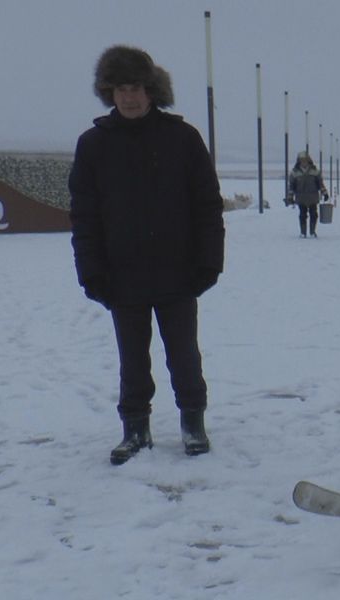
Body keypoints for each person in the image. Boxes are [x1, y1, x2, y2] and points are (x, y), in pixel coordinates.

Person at [69, 45, 225, 465]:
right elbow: (84, 218)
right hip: (123, 277)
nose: (129, 97)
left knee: (184, 356)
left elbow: (207, 206)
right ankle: (135, 430)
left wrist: (209, 262)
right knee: (132, 361)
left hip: (178, 273)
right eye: (120, 88)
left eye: (135, 87)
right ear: (109, 93)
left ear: (151, 90)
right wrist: (92, 273)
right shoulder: (93, 145)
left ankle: (193, 423)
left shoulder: (183, 138)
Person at [287, 151, 329, 237]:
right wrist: (290, 197)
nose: (304, 162)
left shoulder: (315, 171)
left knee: (314, 214)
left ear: (309, 160)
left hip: (313, 197)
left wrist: (324, 193)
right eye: (302, 160)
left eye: (305, 160)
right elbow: (291, 186)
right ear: (299, 161)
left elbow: (320, 184)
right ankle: (303, 232)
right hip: (301, 198)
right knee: (302, 215)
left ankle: (312, 232)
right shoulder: (294, 172)